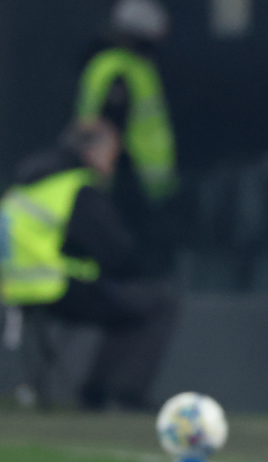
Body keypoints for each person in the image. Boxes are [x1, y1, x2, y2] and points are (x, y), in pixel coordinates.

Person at [0, 120, 179, 410]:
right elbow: (116, 251)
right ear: (92, 152)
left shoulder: (24, 185)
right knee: (158, 302)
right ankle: (117, 394)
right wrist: (147, 268)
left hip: (16, 292)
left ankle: (98, 392)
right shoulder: (75, 188)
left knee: (126, 303)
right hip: (60, 288)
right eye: (111, 154)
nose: (113, 164)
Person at [77, 0, 179, 274]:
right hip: (126, 180)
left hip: (139, 183)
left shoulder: (132, 67)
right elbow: (109, 127)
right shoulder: (118, 70)